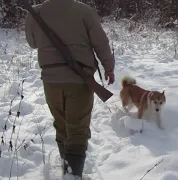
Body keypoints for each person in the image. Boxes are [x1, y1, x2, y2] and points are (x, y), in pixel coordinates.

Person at [24, 0, 115, 179]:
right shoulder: (85, 11)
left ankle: (67, 169)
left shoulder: (35, 13)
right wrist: (109, 67)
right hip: (80, 80)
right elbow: (101, 43)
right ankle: (72, 175)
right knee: (78, 129)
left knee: (61, 125)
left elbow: (32, 42)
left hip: (51, 81)